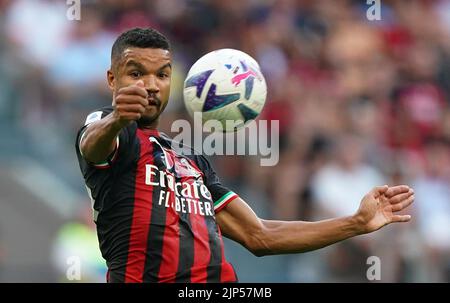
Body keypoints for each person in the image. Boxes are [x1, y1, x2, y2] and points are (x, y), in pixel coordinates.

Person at [75, 28, 415, 283]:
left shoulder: (193, 160)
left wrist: (355, 223)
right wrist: (118, 118)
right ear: (112, 79)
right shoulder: (114, 134)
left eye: (161, 74)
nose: (150, 85)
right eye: (136, 73)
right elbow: (93, 145)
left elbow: (261, 235)